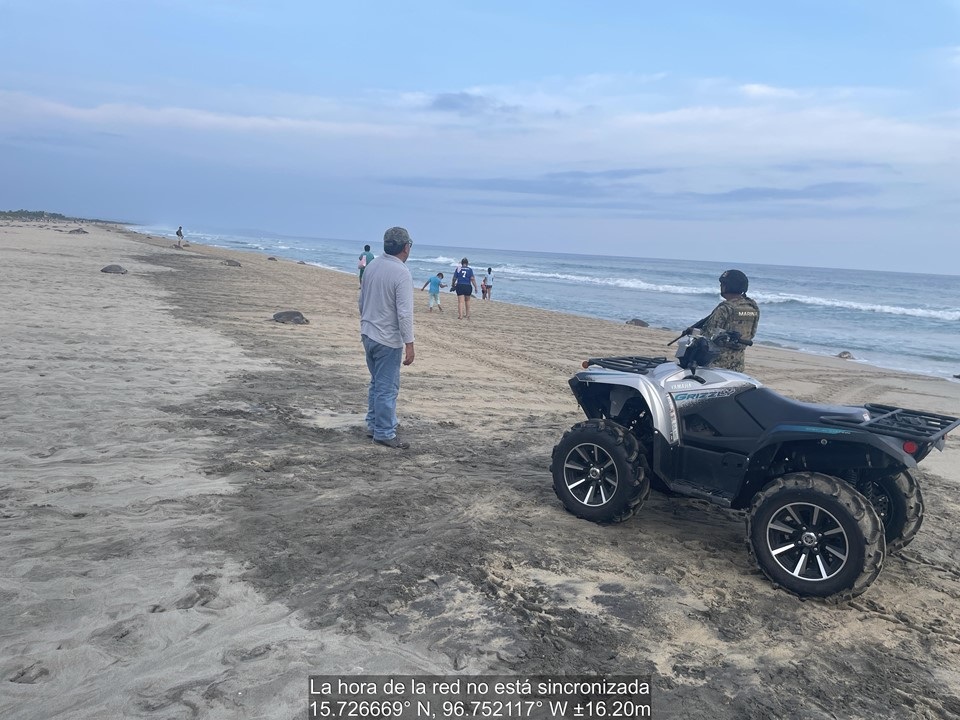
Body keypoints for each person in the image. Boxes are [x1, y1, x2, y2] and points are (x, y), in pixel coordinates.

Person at [358, 228, 415, 449]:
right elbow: (404, 313)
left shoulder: (372, 266)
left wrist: (365, 322)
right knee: (387, 387)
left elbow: (361, 299)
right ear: (406, 247)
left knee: (377, 383)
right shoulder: (401, 273)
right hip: (386, 338)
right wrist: (409, 343)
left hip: (368, 332)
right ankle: (383, 431)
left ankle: (374, 424)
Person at [684, 269, 759, 372]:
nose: (721, 286)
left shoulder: (725, 309)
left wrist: (694, 332)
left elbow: (708, 337)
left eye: (723, 284)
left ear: (729, 286)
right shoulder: (752, 307)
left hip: (716, 365)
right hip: (737, 366)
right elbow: (751, 334)